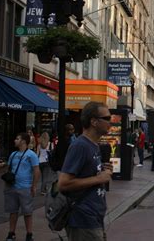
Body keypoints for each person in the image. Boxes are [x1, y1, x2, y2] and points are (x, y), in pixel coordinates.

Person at [58, 102, 113, 241]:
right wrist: (99, 179)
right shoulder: (80, 146)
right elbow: (63, 183)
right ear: (94, 121)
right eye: (106, 118)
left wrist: (102, 171)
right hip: (82, 219)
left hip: (94, 218)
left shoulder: (94, 145)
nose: (110, 122)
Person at [4, 132, 41, 241]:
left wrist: (34, 186)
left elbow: (36, 171)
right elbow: (8, 168)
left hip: (25, 187)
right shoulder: (13, 154)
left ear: (23, 141)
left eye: (17, 138)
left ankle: (29, 234)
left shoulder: (31, 154)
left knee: (27, 212)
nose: (15, 140)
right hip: (12, 187)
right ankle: (11, 233)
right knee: (13, 211)